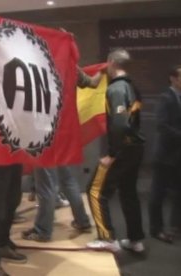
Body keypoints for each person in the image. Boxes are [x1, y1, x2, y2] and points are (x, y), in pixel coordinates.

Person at [22, 67, 102, 242]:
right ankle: (82, 220)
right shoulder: (70, 64)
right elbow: (93, 83)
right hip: (61, 131)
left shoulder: (32, 61)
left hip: (40, 133)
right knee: (66, 179)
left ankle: (42, 230)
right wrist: (103, 70)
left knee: (46, 186)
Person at [86, 48, 145, 253]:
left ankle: (107, 237)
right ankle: (136, 240)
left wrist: (111, 154)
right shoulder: (132, 86)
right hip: (135, 148)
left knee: (95, 191)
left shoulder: (117, 89)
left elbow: (120, 125)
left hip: (123, 150)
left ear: (111, 62)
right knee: (128, 192)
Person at [148, 65, 181, 243]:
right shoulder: (165, 98)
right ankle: (156, 229)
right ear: (173, 79)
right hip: (165, 155)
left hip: (178, 155)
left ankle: (176, 225)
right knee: (158, 194)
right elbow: (162, 125)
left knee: (179, 192)